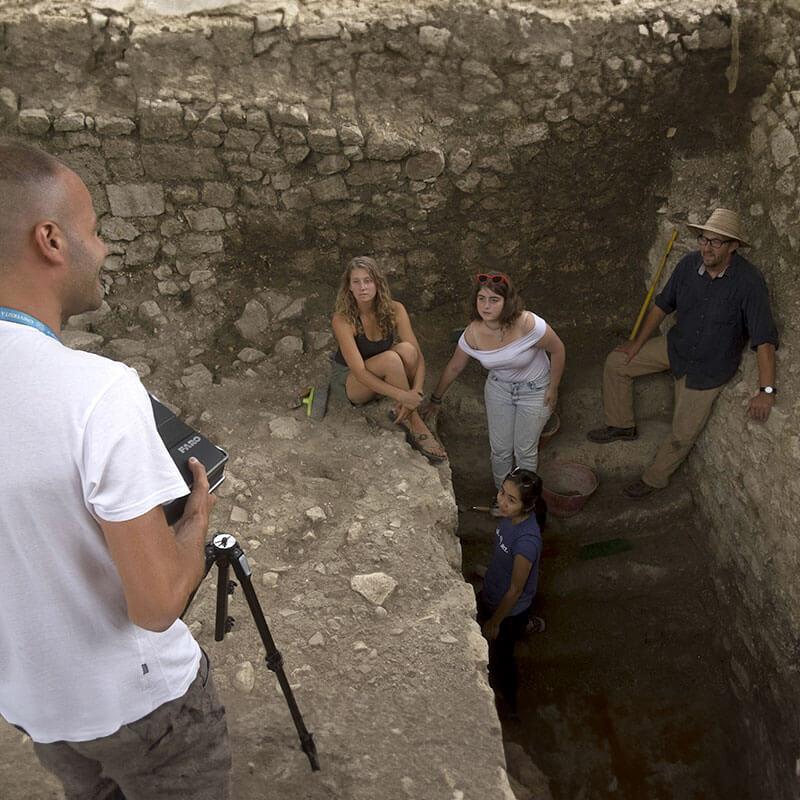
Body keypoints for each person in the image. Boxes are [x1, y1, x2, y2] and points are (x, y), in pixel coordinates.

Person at [0, 140, 231, 799]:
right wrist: (195, 522)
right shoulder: (97, 390)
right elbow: (157, 604)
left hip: (39, 712)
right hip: (144, 710)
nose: (102, 249)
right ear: (51, 239)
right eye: (94, 230)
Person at [587, 208, 779, 499]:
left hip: (708, 367)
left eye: (716, 242)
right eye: (703, 239)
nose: (706, 247)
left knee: (682, 433)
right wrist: (637, 343)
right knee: (617, 362)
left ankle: (654, 479)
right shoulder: (688, 265)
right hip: (676, 346)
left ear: (733, 247)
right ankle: (621, 425)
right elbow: (663, 304)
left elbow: (764, 339)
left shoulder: (749, 282)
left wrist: (766, 390)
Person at [424, 271, 565, 510]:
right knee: (499, 450)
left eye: (494, 300)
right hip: (499, 389)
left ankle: (524, 502)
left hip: (534, 389)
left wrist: (553, 387)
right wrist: (436, 399)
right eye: (481, 299)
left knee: (524, 450)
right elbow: (455, 366)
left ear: (507, 302)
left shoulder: (528, 323)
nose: (486, 306)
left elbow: (558, 349)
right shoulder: (473, 333)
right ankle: (504, 500)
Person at [331, 255, 446, 463]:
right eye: (356, 282)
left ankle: (406, 408)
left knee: (407, 350)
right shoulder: (343, 319)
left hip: (382, 371)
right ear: (349, 287)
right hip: (352, 382)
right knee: (391, 359)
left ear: (377, 283)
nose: (362, 287)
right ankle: (415, 421)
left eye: (368, 280)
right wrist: (403, 396)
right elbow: (360, 372)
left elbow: (418, 357)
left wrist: (415, 393)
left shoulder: (395, 309)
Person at [477, 468, 546, 716]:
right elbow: (499, 511)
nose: (501, 501)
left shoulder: (526, 543)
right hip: (493, 591)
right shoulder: (510, 516)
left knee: (501, 659)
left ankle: (509, 703)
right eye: (502, 492)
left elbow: (516, 589)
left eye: (511, 499)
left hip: (507, 609)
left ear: (527, 507)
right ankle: (528, 623)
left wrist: (495, 622)